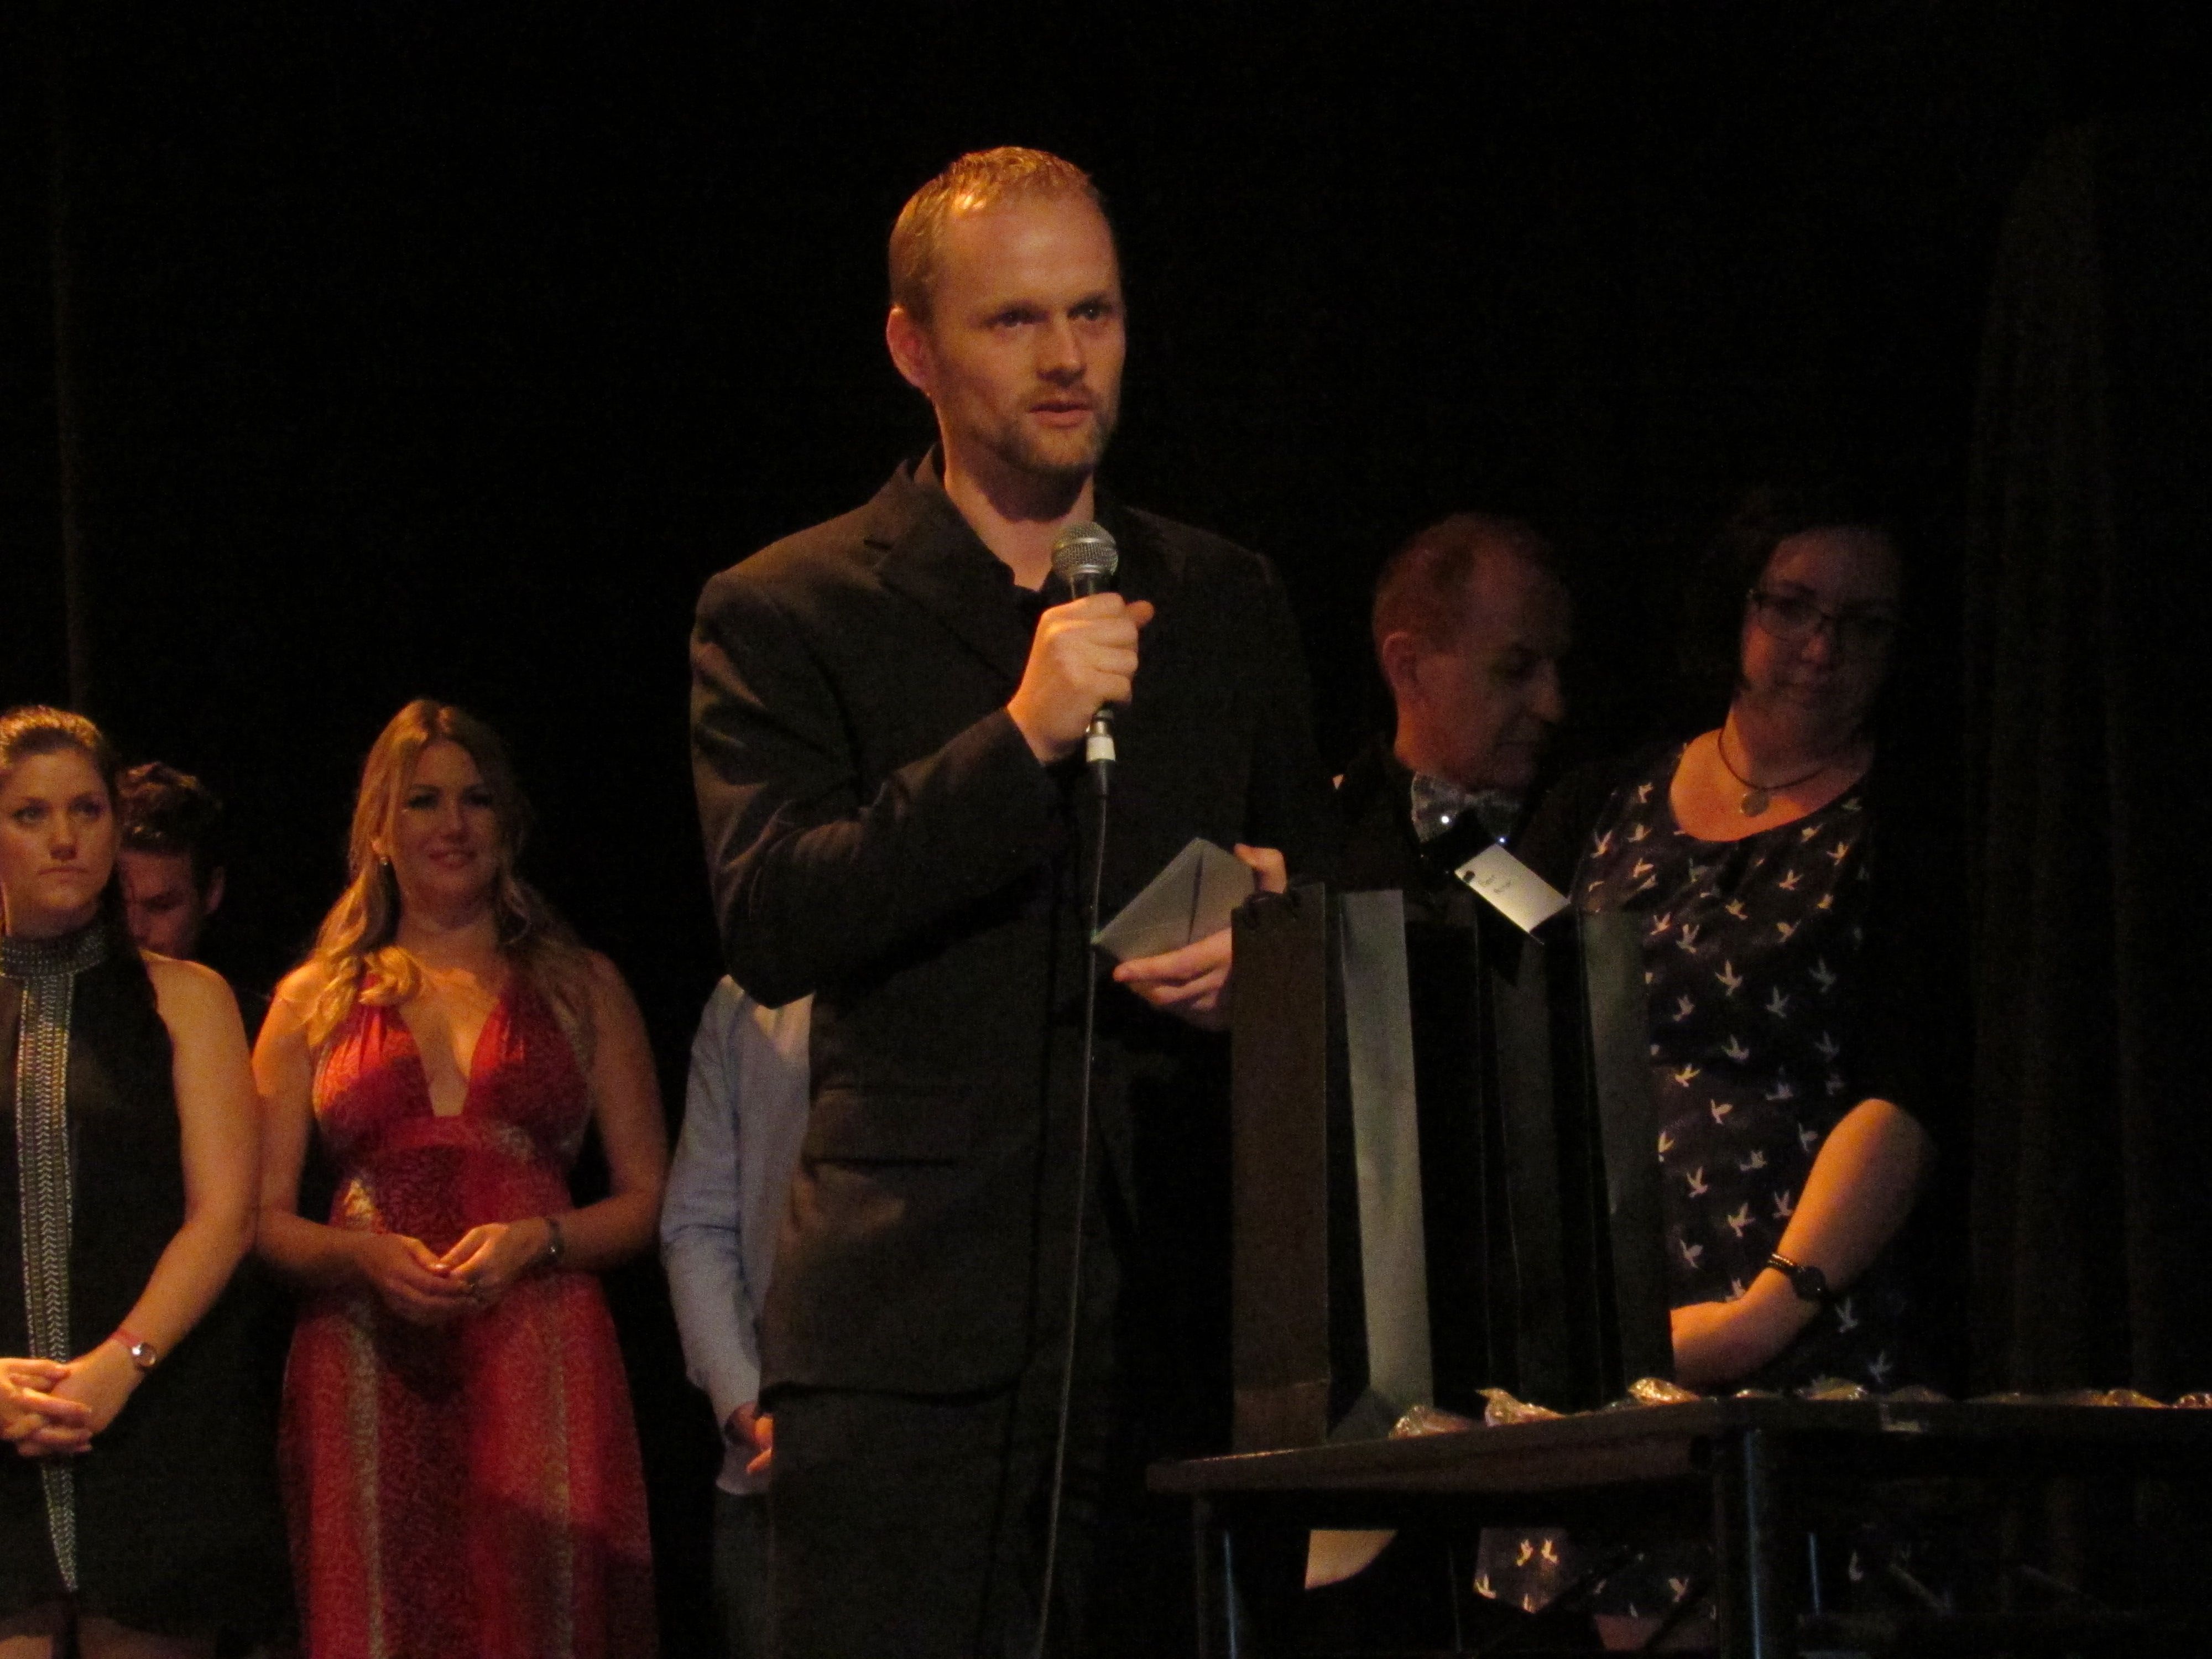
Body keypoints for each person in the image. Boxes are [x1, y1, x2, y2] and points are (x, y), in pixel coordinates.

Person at [690, 147, 1334, 1657]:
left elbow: (1321, 883)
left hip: (1191, 1309)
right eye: (1016, 322)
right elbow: (773, 917)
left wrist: (1269, 941)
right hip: (916, 1335)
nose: (1066, 360)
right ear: (914, 348)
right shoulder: (792, 607)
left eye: (1095, 315)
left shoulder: (1225, 595)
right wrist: (1020, 739)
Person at [1484, 488, 1948, 1645]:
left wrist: (1758, 1318)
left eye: (1863, 624)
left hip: (1790, 1327)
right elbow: (1493, 1028)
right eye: (1790, 607)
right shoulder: (1600, 798)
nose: (1818, 648)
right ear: (1734, 607)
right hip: (1600, 1351)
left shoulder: (1903, 822)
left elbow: (1906, 1090)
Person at [254, 699, 667, 1658]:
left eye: (476, 800)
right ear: (380, 831)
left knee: (540, 1611)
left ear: (509, 823)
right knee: (384, 1610)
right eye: (424, 801)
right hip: (366, 1349)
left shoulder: (581, 983)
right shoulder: (313, 997)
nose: (452, 824)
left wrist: (541, 1240)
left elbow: (649, 1197)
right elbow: (260, 1220)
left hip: (541, 1338)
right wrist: (359, 1256)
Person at [0, 706, 286, 1657]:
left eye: (86, 808)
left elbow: (225, 1216)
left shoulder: (187, 1000)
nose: (65, 835)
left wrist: (116, 1368)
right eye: (31, 813)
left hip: (153, 1420)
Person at [659, 980, 811, 1659]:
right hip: (765, 1466)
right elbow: (698, 1221)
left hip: (936, 1458)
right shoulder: (748, 997)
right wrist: (743, 1401)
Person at [1337, 512, 1574, 903]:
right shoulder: (1318, 844)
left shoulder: (1598, 838)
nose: (1553, 706)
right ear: (1409, 667)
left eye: (1556, 670)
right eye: (1515, 669)